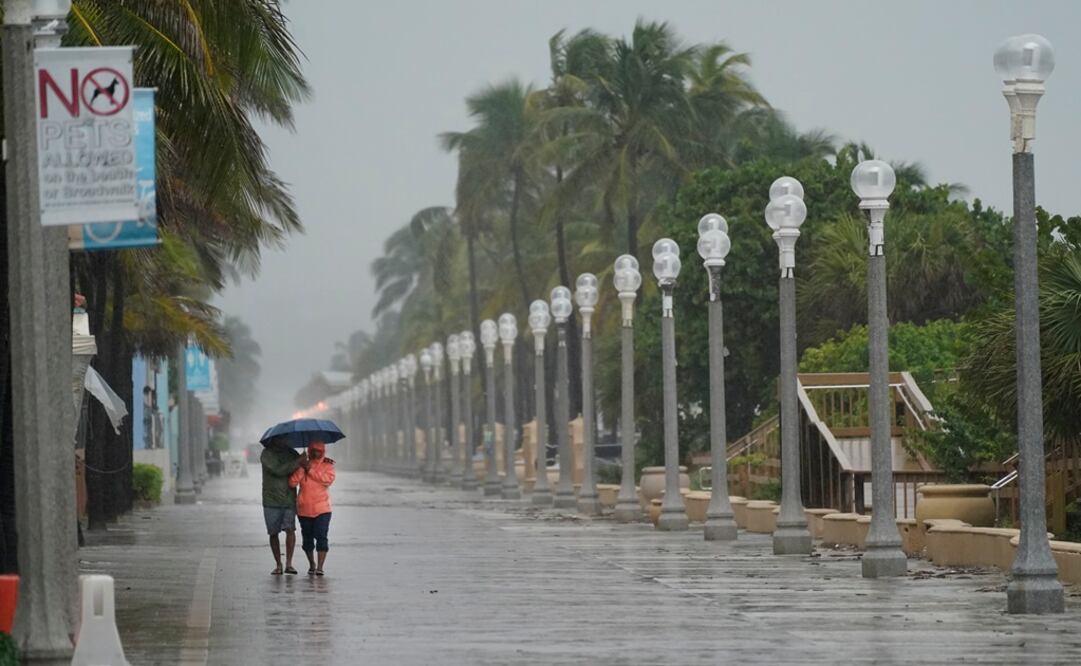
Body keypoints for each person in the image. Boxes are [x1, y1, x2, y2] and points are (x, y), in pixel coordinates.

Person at [261, 436, 306, 575]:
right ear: (274, 440)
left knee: (290, 529)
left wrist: (305, 463)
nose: (285, 441)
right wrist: (298, 461)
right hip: (271, 499)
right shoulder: (267, 454)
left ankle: (289, 563)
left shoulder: (291, 453)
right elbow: (278, 470)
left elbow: (300, 470)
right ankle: (278, 564)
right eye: (281, 439)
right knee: (273, 532)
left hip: (288, 498)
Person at [289, 441, 336, 576]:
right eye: (313, 450)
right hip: (304, 509)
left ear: (323, 451)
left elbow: (327, 480)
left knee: (322, 537)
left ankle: (320, 566)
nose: (316, 453)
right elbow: (292, 483)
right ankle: (312, 564)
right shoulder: (303, 466)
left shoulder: (328, 465)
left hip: (322, 509)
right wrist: (301, 468)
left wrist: (310, 469)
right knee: (307, 539)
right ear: (309, 451)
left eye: (318, 451)